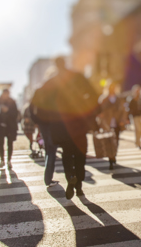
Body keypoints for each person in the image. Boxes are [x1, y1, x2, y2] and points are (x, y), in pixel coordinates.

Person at [32, 57, 99, 199]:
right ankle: (79, 185)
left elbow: (36, 102)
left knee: (67, 154)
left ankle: (70, 178)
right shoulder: (78, 77)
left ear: (55, 65)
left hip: (60, 125)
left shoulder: (51, 82)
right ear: (65, 63)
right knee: (80, 154)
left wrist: (43, 120)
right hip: (78, 122)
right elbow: (93, 94)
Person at [98, 81, 127, 170]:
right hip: (107, 123)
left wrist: (123, 119)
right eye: (110, 87)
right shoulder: (103, 98)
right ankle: (111, 158)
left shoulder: (119, 98)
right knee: (109, 141)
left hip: (117, 122)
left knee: (116, 140)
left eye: (113, 87)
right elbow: (100, 111)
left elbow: (123, 110)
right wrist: (101, 121)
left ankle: (114, 154)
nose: (112, 89)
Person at [0, 88, 20, 169]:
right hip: (0, 126)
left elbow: (16, 114)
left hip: (10, 126)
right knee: (0, 144)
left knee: (10, 144)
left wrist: (8, 110)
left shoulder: (12, 102)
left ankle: (9, 160)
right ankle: (2, 160)